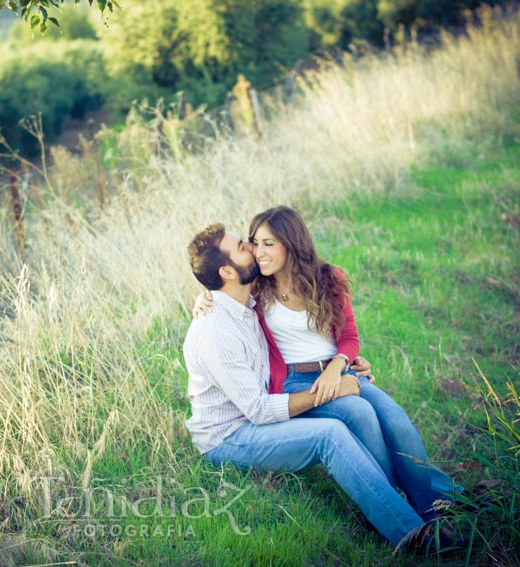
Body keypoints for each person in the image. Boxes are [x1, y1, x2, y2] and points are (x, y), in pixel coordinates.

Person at [183, 223, 458, 550]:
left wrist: (340, 363)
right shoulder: (216, 329)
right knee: (330, 434)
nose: (253, 248)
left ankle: (439, 501)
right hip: (230, 436)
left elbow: (299, 340)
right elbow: (257, 410)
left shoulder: (248, 304)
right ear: (228, 271)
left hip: (264, 408)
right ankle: (412, 535)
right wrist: (332, 390)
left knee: (374, 417)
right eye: (243, 247)